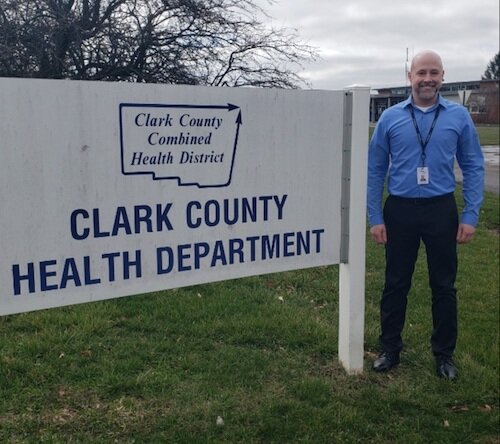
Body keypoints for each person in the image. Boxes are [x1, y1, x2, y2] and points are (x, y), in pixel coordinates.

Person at [367, 50, 484, 380]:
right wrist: (375, 216)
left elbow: (474, 165)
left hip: (440, 210)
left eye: (434, 73)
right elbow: (375, 168)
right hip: (400, 210)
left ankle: (444, 354)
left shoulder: (458, 116)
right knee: (395, 284)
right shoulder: (390, 118)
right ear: (410, 77)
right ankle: (390, 348)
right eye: (421, 73)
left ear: (443, 76)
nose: (427, 79)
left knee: (444, 286)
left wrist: (470, 215)